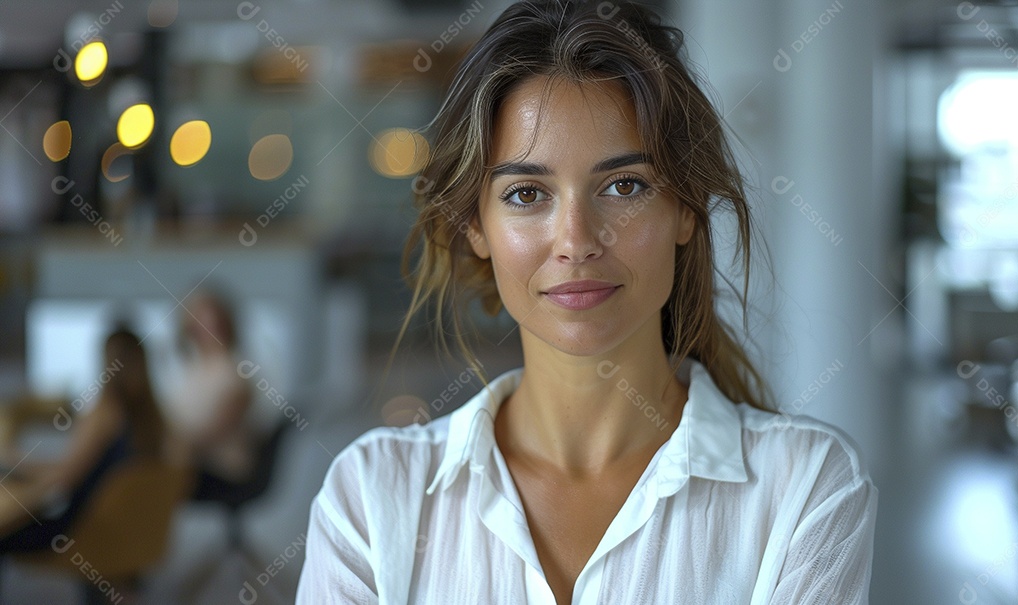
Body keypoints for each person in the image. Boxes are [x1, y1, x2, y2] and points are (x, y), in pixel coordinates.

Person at [297, 1, 877, 603]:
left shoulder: (806, 488)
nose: (576, 240)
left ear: (685, 208)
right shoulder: (369, 497)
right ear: (476, 225)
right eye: (526, 193)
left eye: (624, 186)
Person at [0, 328, 171, 550]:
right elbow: (78, 467)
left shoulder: (104, 413)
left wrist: (17, 464)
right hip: (117, 528)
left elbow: (65, 478)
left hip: (80, 530)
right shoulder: (150, 417)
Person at [164, 288, 257, 501]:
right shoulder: (193, 368)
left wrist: (171, 449)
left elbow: (214, 433)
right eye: (199, 322)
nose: (207, 329)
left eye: (212, 321)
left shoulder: (236, 372)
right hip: (187, 458)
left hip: (220, 469)